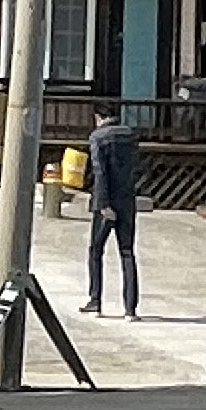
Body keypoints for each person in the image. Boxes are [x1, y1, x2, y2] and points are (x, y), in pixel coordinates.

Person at [79, 109, 141, 318]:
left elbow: (100, 172)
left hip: (106, 200)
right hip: (127, 198)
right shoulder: (130, 135)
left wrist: (103, 203)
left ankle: (95, 301)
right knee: (127, 251)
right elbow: (136, 167)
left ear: (99, 117)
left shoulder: (98, 137)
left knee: (96, 250)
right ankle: (130, 308)